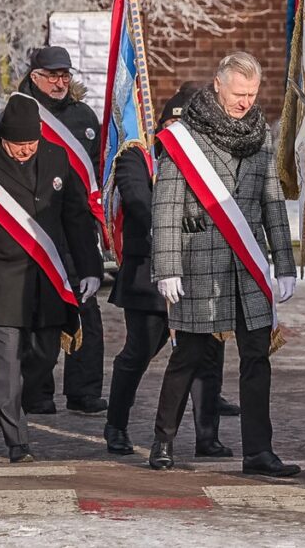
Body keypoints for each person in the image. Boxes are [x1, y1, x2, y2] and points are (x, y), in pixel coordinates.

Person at [149, 52, 300, 477]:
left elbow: (272, 202)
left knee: (257, 359)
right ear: (218, 85)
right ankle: (163, 441)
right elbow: (166, 207)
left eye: (252, 94)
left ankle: (259, 452)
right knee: (188, 356)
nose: (245, 103)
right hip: (201, 264)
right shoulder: (183, 136)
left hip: (248, 267)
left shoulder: (260, 133)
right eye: (238, 94)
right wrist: (167, 267)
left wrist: (284, 264)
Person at [0, 96, 103, 462]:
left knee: (44, 356)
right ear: (3, 138)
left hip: (46, 278)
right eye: (18, 145)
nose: (25, 151)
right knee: (6, 364)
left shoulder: (56, 157)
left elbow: (75, 217)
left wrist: (91, 268)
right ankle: (17, 441)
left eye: (31, 143)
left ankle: (6, 407)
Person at [104, 83, 234, 457]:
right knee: (138, 354)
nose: (176, 133)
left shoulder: (207, 164)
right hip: (149, 277)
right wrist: (173, 223)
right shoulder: (138, 160)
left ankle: (207, 435)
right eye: (170, 126)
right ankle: (116, 425)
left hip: (198, 275)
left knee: (206, 358)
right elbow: (138, 202)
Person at [17, 46, 106, 414]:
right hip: (36, 226)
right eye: (52, 76)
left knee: (87, 308)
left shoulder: (84, 116)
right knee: (40, 314)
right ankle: (36, 392)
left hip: (78, 228)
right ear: (35, 76)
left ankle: (84, 391)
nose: (59, 83)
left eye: (64, 76)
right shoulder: (19, 113)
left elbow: (96, 169)